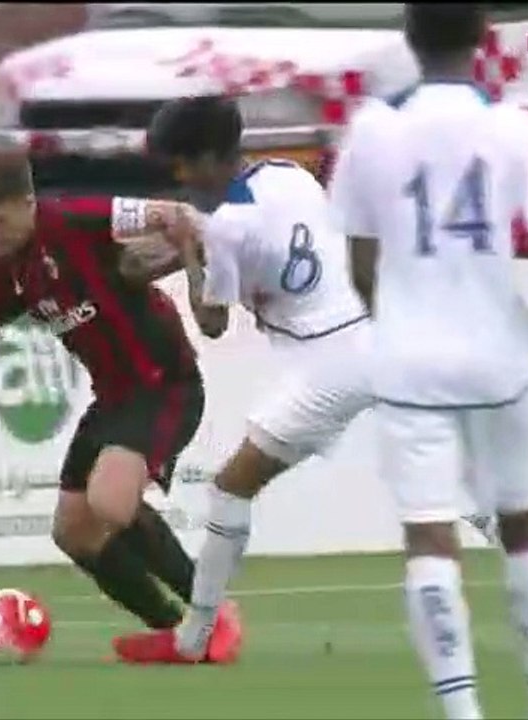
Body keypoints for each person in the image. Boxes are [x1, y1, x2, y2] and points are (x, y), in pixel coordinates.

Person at [327, 5, 528, 719]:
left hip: (410, 361)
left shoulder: (371, 130)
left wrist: (397, 319)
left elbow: (360, 260)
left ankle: (463, 714)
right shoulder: (518, 129)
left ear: (410, 39)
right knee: (525, 531)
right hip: (498, 358)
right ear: (483, 39)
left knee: (430, 539)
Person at [0, 145, 241, 653]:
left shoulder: (80, 220)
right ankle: (175, 629)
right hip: (114, 398)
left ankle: (211, 612)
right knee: (74, 532)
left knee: (109, 502)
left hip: (165, 383)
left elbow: (178, 216)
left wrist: (193, 277)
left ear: (28, 202)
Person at [111, 96, 374, 665]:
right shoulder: (288, 175)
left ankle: (194, 638)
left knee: (231, 488)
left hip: (325, 363)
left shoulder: (226, 226)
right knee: (443, 480)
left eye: (182, 164)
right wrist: (192, 244)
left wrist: (188, 249)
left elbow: (212, 323)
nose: (179, 177)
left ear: (209, 158)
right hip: (372, 337)